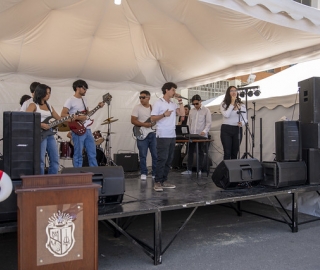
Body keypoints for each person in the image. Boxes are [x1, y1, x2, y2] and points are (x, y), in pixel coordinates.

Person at [61, 79, 105, 167]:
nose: (86, 90)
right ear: (78, 88)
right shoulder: (70, 100)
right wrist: (78, 117)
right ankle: (77, 174)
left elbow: (87, 115)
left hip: (87, 129)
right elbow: (63, 114)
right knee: (78, 154)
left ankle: (95, 172)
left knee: (92, 153)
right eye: (84, 88)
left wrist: (98, 107)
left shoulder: (85, 100)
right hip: (77, 130)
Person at [151, 82, 185, 192]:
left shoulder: (173, 104)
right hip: (162, 134)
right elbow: (152, 118)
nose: (174, 92)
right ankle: (157, 181)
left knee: (169, 159)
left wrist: (180, 101)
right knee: (162, 158)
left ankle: (164, 180)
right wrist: (163, 115)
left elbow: (182, 114)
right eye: (173, 90)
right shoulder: (158, 103)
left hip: (172, 134)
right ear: (167, 90)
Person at [26, 84, 60, 174]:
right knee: (40, 161)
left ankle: (52, 181)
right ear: (41, 93)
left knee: (55, 158)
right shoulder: (33, 105)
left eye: (49, 93)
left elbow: (59, 119)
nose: (49, 95)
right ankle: (39, 181)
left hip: (49, 133)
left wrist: (72, 117)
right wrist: (40, 124)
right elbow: (26, 117)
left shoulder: (49, 106)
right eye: (47, 93)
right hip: (39, 134)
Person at [181, 94, 212, 175]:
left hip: (201, 136)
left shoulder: (206, 110)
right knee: (190, 151)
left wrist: (204, 131)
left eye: (196, 104)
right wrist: (187, 133)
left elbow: (208, 123)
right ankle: (189, 169)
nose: (195, 105)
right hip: (192, 135)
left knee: (200, 152)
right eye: (193, 104)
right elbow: (189, 123)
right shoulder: (191, 111)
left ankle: (199, 169)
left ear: (200, 102)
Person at [131, 90, 157, 180]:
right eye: (140, 97)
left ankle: (155, 173)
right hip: (142, 133)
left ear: (148, 98)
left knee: (155, 154)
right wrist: (144, 124)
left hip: (152, 133)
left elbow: (156, 119)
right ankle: (143, 172)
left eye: (143, 97)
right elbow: (133, 120)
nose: (141, 99)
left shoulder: (153, 108)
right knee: (142, 154)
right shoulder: (137, 108)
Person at [220, 86, 247, 160]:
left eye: (235, 90)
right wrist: (232, 103)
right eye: (231, 90)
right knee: (227, 152)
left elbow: (245, 118)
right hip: (226, 129)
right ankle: (226, 171)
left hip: (237, 129)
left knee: (235, 152)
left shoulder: (241, 105)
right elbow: (226, 115)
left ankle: (234, 171)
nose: (234, 92)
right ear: (228, 93)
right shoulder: (224, 104)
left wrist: (242, 123)